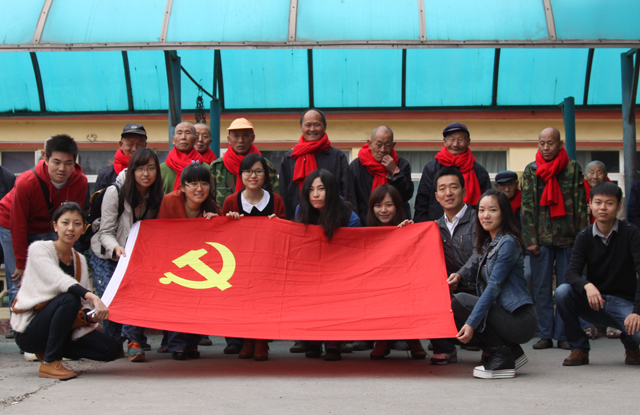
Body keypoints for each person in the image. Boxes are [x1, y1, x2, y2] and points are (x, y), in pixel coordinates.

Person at [10, 203, 120, 380]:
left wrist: (90, 316)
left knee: (112, 349)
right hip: (30, 329)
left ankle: (52, 349)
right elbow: (60, 281)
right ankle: (50, 361)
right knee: (69, 298)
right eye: (65, 222)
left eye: (77, 224)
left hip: (63, 328)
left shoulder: (79, 259)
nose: (71, 228)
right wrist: (93, 297)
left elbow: (84, 305)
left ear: (83, 229)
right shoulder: (39, 249)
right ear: (55, 226)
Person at [90, 148, 164, 362]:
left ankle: (133, 342)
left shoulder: (157, 194)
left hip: (136, 257)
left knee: (135, 296)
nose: (146, 173)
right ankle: (113, 344)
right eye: (140, 168)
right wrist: (115, 247)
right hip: (107, 255)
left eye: (151, 168)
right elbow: (105, 231)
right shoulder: (115, 192)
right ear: (131, 170)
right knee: (111, 299)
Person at [453, 189, 537, 379]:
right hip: (503, 314)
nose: (486, 215)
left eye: (492, 210)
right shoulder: (489, 243)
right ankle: (510, 350)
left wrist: (471, 323)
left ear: (504, 213)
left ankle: (501, 356)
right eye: (481, 210)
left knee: (460, 302)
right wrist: (458, 276)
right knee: (453, 306)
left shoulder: (507, 243)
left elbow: (493, 287)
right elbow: (473, 262)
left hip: (519, 319)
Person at [556, 182, 640, 366]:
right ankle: (579, 349)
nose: (603, 207)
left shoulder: (631, 233)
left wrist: (637, 311)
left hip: (624, 302)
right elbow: (571, 273)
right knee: (562, 292)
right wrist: (587, 285)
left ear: (619, 206)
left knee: (637, 334)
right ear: (590, 205)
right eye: (598, 202)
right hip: (596, 302)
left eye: (609, 203)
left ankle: (632, 346)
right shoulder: (584, 236)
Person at [0, 135, 88, 312]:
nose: (62, 168)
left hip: (48, 227)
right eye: (56, 162)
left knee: (53, 276)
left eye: (68, 163)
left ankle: (45, 320)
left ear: (75, 161)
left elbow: (72, 221)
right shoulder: (26, 181)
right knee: (19, 279)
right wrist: (21, 262)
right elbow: (18, 223)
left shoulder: (80, 182)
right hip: (12, 224)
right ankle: (18, 323)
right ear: (45, 157)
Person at [521, 127, 588, 350]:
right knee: (541, 289)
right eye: (542, 143)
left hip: (569, 238)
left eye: (550, 143)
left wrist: (581, 240)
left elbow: (581, 205)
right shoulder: (531, 170)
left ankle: (564, 334)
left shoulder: (573, 168)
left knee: (565, 289)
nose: (546, 147)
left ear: (560, 145)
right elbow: (527, 206)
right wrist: (530, 239)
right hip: (541, 239)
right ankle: (545, 334)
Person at [222, 154, 286, 361]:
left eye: (258, 171)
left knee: (265, 302)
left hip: (268, 263)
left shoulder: (276, 201)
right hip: (240, 263)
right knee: (244, 302)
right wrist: (229, 221)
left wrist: (278, 223)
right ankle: (247, 340)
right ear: (241, 175)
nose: (253, 176)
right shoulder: (231, 201)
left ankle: (261, 342)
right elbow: (221, 236)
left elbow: (286, 235)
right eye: (248, 171)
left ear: (265, 175)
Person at [294, 169, 360, 361]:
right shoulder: (301, 210)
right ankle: (313, 341)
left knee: (334, 301)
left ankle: (333, 343)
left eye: (321, 189)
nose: (315, 194)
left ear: (331, 190)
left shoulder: (349, 217)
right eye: (311, 189)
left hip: (340, 269)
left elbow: (355, 251)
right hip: (311, 267)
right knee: (312, 300)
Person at [157, 163, 220, 360]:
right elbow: (160, 231)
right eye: (193, 184)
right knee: (177, 302)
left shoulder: (213, 207)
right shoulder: (169, 201)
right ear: (183, 187)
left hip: (200, 263)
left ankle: (192, 344)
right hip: (173, 260)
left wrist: (215, 221)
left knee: (198, 303)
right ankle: (177, 346)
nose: (199, 189)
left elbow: (220, 237)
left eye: (204, 184)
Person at [364, 185, 427, 360]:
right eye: (378, 206)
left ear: (398, 206)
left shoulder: (406, 227)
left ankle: (412, 338)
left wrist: (411, 232)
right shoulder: (365, 232)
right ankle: (382, 339)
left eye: (389, 205)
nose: (383, 210)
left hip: (403, 282)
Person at [430, 167, 480, 365]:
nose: (448, 193)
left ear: (464, 191)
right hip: (450, 289)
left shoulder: (479, 218)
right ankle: (444, 348)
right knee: (429, 298)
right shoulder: (434, 227)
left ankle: (493, 347)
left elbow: (481, 252)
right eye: (442, 189)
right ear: (436, 196)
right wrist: (408, 231)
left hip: (478, 286)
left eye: (453, 187)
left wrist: (460, 275)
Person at [280, 109, 357, 220]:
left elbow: (347, 192)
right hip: (298, 220)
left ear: (325, 127)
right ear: (301, 127)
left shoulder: (338, 157)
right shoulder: (290, 158)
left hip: (333, 221)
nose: (312, 129)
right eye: (308, 125)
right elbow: (284, 194)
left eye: (317, 125)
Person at [414, 122, 491, 223]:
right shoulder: (431, 168)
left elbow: (487, 202)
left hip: (471, 225)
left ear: (468, 141)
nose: (456, 144)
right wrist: (424, 226)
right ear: (445, 141)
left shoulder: (478, 170)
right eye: (452, 139)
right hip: (437, 224)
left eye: (460, 139)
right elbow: (422, 202)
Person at [210, 118, 279, 214]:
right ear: (229, 139)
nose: (241, 140)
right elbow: (209, 201)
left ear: (253, 138)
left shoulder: (266, 167)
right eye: (236, 136)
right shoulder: (217, 167)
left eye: (245, 135)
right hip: (226, 221)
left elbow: (276, 202)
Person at [350, 126, 414, 224]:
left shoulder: (402, 165)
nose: (383, 150)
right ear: (370, 144)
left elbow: (406, 195)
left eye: (387, 145)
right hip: (365, 223)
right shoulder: (356, 166)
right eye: (379, 145)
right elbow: (351, 198)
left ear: (393, 145)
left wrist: (395, 172)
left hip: (397, 224)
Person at [94, 123, 148, 192]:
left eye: (139, 144)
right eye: (130, 144)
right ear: (121, 144)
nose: (134, 149)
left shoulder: (152, 173)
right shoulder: (105, 176)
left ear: (145, 146)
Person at [160, 122, 209, 195]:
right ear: (173, 140)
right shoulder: (161, 169)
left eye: (187, 133)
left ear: (195, 140)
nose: (183, 137)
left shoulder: (206, 168)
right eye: (179, 133)